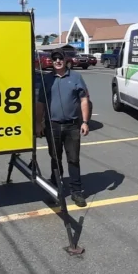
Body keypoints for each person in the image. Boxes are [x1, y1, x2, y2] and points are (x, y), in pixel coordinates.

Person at [35, 49, 91, 207]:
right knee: (55, 158)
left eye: (60, 58)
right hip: (52, 125)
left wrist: (85, 122)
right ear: (52, 62)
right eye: (55, 59)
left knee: (73, 159)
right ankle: (56, 189)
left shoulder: (76, 77)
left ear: (65, 60)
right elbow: (40, 103)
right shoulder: (47, 79)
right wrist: (38, 123)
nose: (58, 61)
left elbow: (84, 99)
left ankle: (76, 191)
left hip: (72, 125)